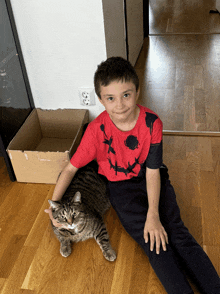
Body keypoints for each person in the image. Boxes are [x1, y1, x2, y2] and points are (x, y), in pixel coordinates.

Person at [45, 57, 220, 293]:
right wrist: (53, 208)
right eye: (110, 98)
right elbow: (70, 169)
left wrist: (154, 214)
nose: (120, 105)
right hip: (120, 189)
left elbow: (153, 171)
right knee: (155, 242)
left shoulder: (151, 123)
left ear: (137, 92)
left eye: (126, 95)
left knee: (177, 233)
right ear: (100, 99)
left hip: (153, 177)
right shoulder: (96, 130)